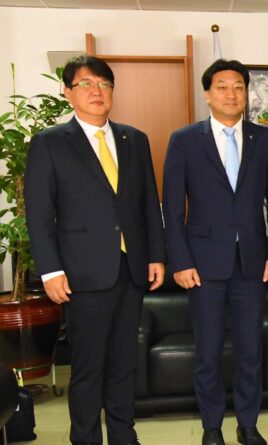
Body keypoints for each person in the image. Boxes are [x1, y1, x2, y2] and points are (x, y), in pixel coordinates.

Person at [25, 55, 165, 445]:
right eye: (85, 84)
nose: (96, 91)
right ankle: (85, 438)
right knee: (88, 367)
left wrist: (156, 255)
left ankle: (124, 435)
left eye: (103, 84)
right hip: (82, 274)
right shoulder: (50, 143)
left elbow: (147, 205)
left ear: (112, 92)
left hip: (131, 269)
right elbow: (38, 214)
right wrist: (51, 271)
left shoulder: (134, 139)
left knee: (124, 363)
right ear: (68, 93)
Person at [162, 59, 268, 445]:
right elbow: (171, 206)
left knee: (250, 352)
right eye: (222, 87)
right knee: (208, 354)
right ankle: (211, 427)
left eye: (238, 87)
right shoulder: (184, 140)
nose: (231, 94)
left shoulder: (264, 139)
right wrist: (180, 261)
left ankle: (248, 424)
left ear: (247, 94)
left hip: (252, 263)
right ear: (207, 94)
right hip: (203, 266)